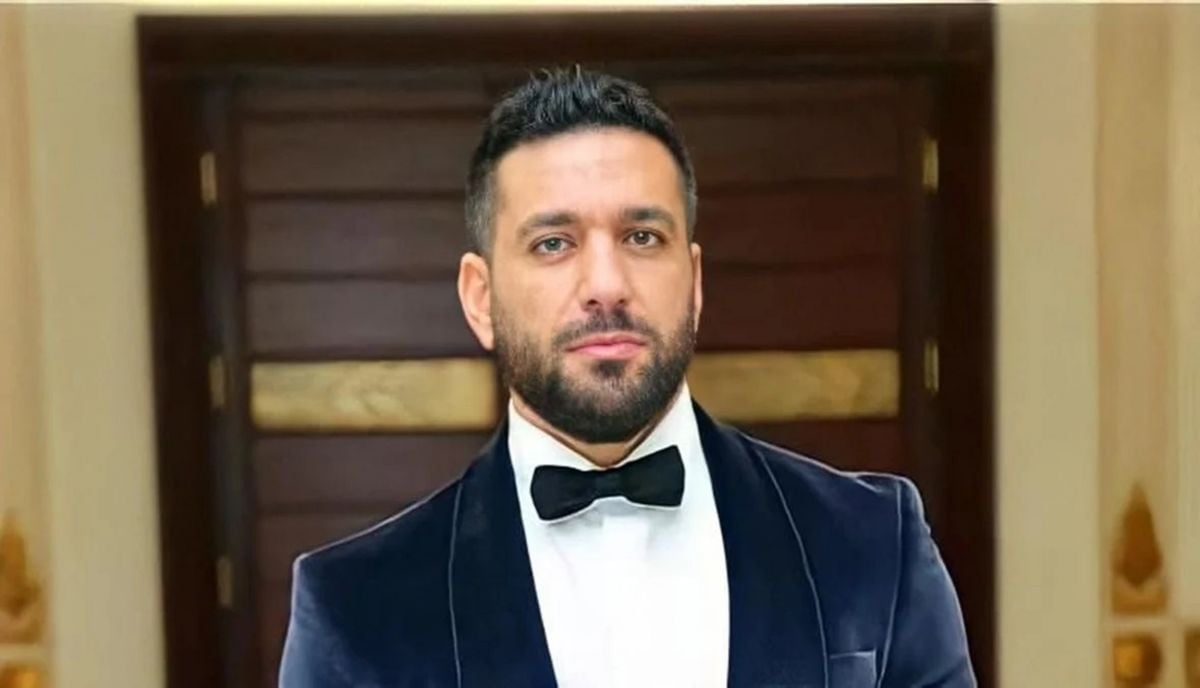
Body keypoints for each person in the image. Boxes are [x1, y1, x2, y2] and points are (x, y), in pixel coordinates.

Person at [279, 67, 974, 688]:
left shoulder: (872, 544)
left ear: (694, 283)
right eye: (554, 243)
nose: (606, 284)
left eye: (642, 237)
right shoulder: (354, 608)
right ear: (480, 299)